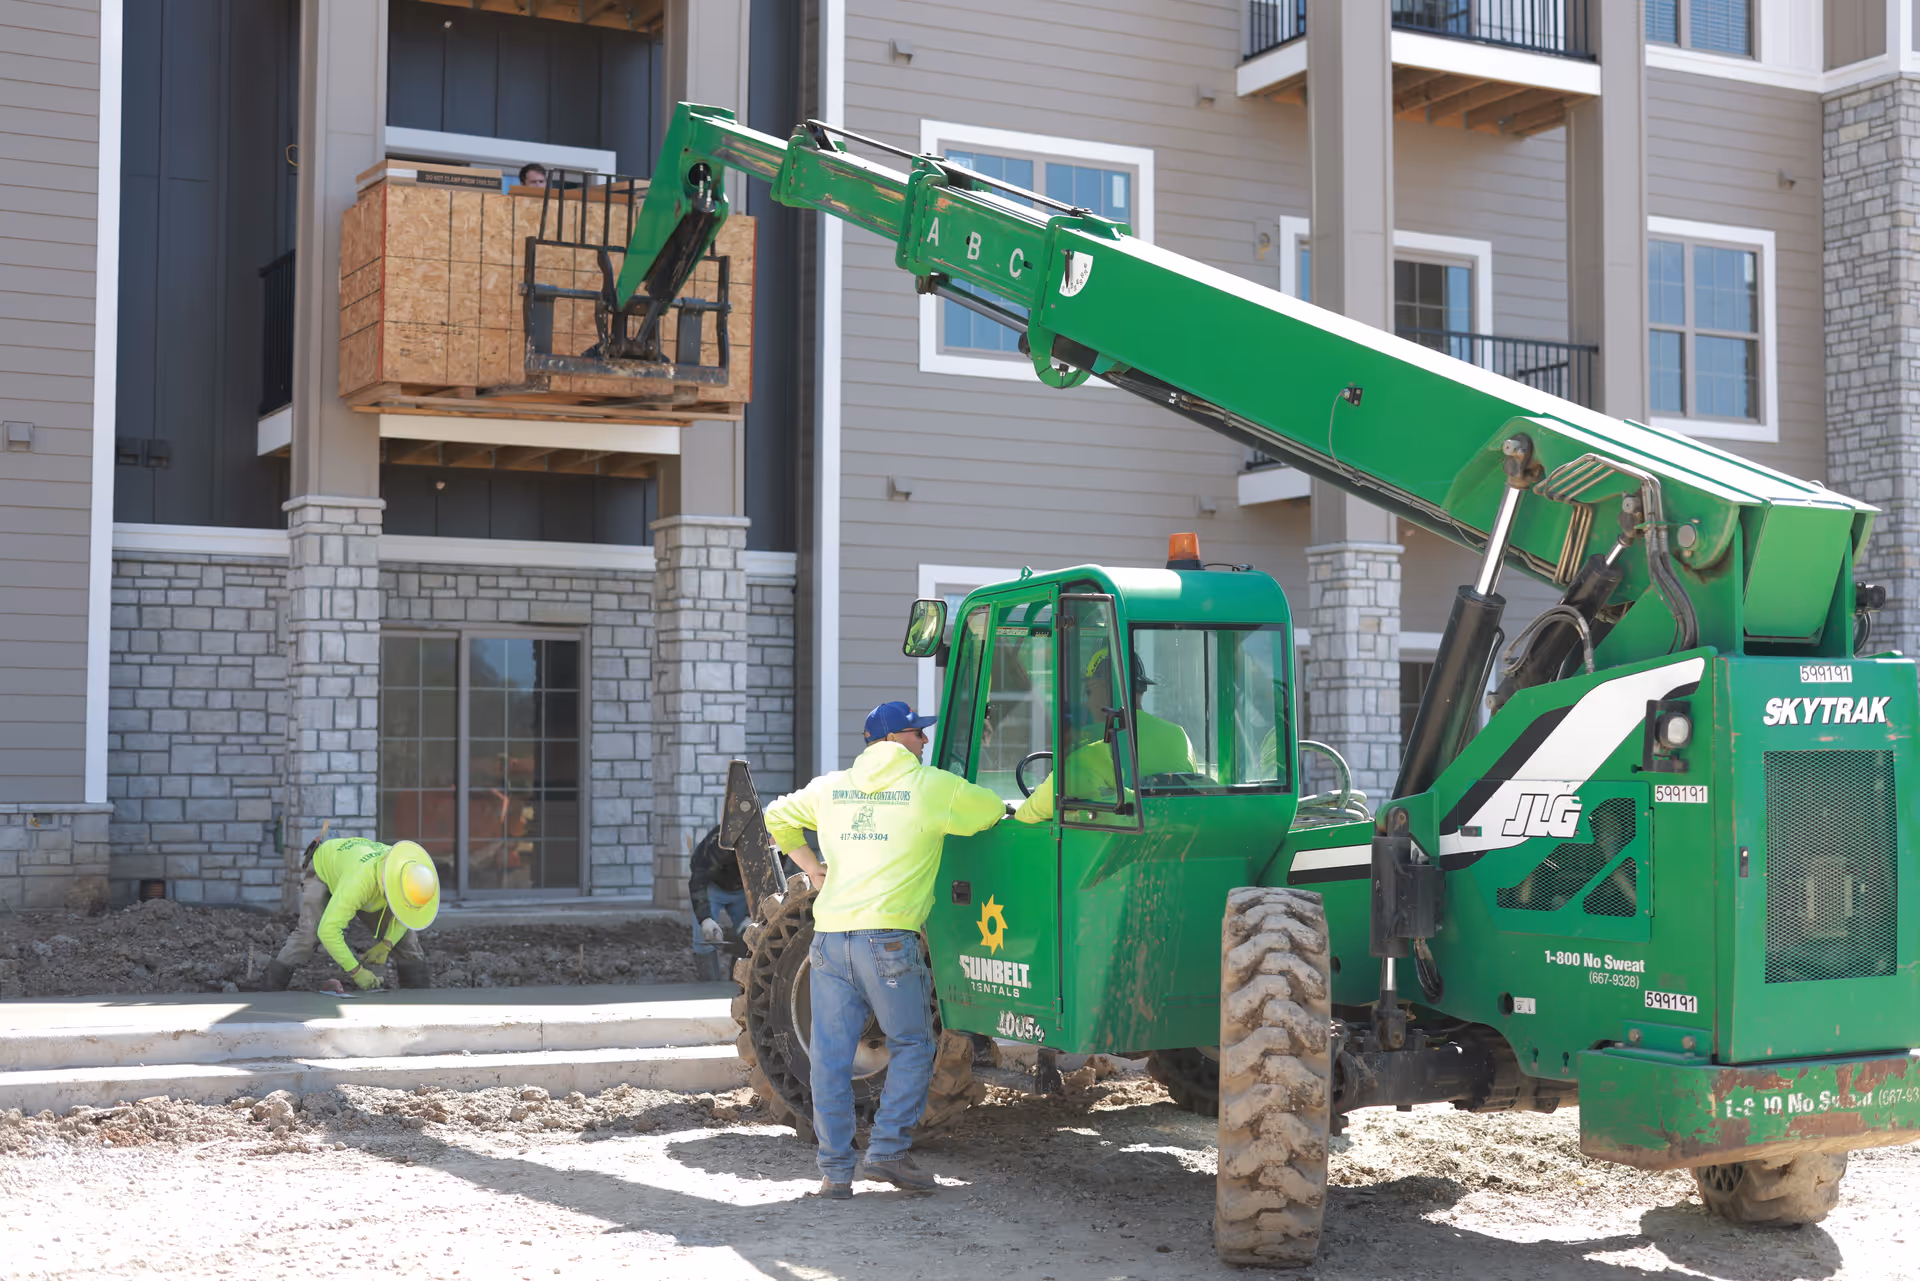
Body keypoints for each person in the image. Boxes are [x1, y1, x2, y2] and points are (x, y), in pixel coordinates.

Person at [763, 700, 1007, 1201]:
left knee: (829, 1061)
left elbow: (774, 816)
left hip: (829, 940)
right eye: (918, 734)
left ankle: (835, 1172)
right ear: (898, 739)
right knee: (914, 1046)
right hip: (888, 942)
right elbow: (990, 811)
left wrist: (811, 867)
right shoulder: (930, 786)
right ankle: (889, 1152)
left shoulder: (831, 788)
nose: (924, 742)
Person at [1011, 648, 1198, 824]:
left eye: (1089, 691)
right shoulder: (1180, 738)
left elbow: (1027, 815)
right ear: (1141, 689)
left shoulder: (1090, 755)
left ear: (1106, 689)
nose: (1088, 700)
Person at [263, 838, 442, 992]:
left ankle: (417, 1000)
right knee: (309, 935)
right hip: (324, 869)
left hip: (362, 877)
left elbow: (407, 913)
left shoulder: (412, 872)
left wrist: (387, 944)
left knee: (406, 942)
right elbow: (329, 931)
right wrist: (357, 971)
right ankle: (270, 992)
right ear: (391, 886)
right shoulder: (359, 882)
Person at [688, 823, 748, 983]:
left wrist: (752, 916)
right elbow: (698, 880)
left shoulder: (776, 843)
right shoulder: (718, 843)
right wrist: (705, 919)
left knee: (751, 937)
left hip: (747, 891)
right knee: (703, 936)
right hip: (714, 887)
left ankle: (740, 985)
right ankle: (710, 987)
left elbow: (770, 883)